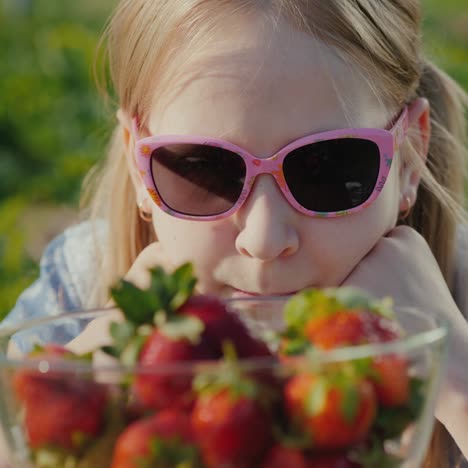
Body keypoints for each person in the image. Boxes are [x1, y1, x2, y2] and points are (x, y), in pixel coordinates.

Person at [1, 0, 468, 466]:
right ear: (137, 165)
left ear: (408, 159)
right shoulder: (81, 294)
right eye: (205, 171)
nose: (264, 241)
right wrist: (82, 377)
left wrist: (454, 376)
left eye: (328, 168)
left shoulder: (457, 296)